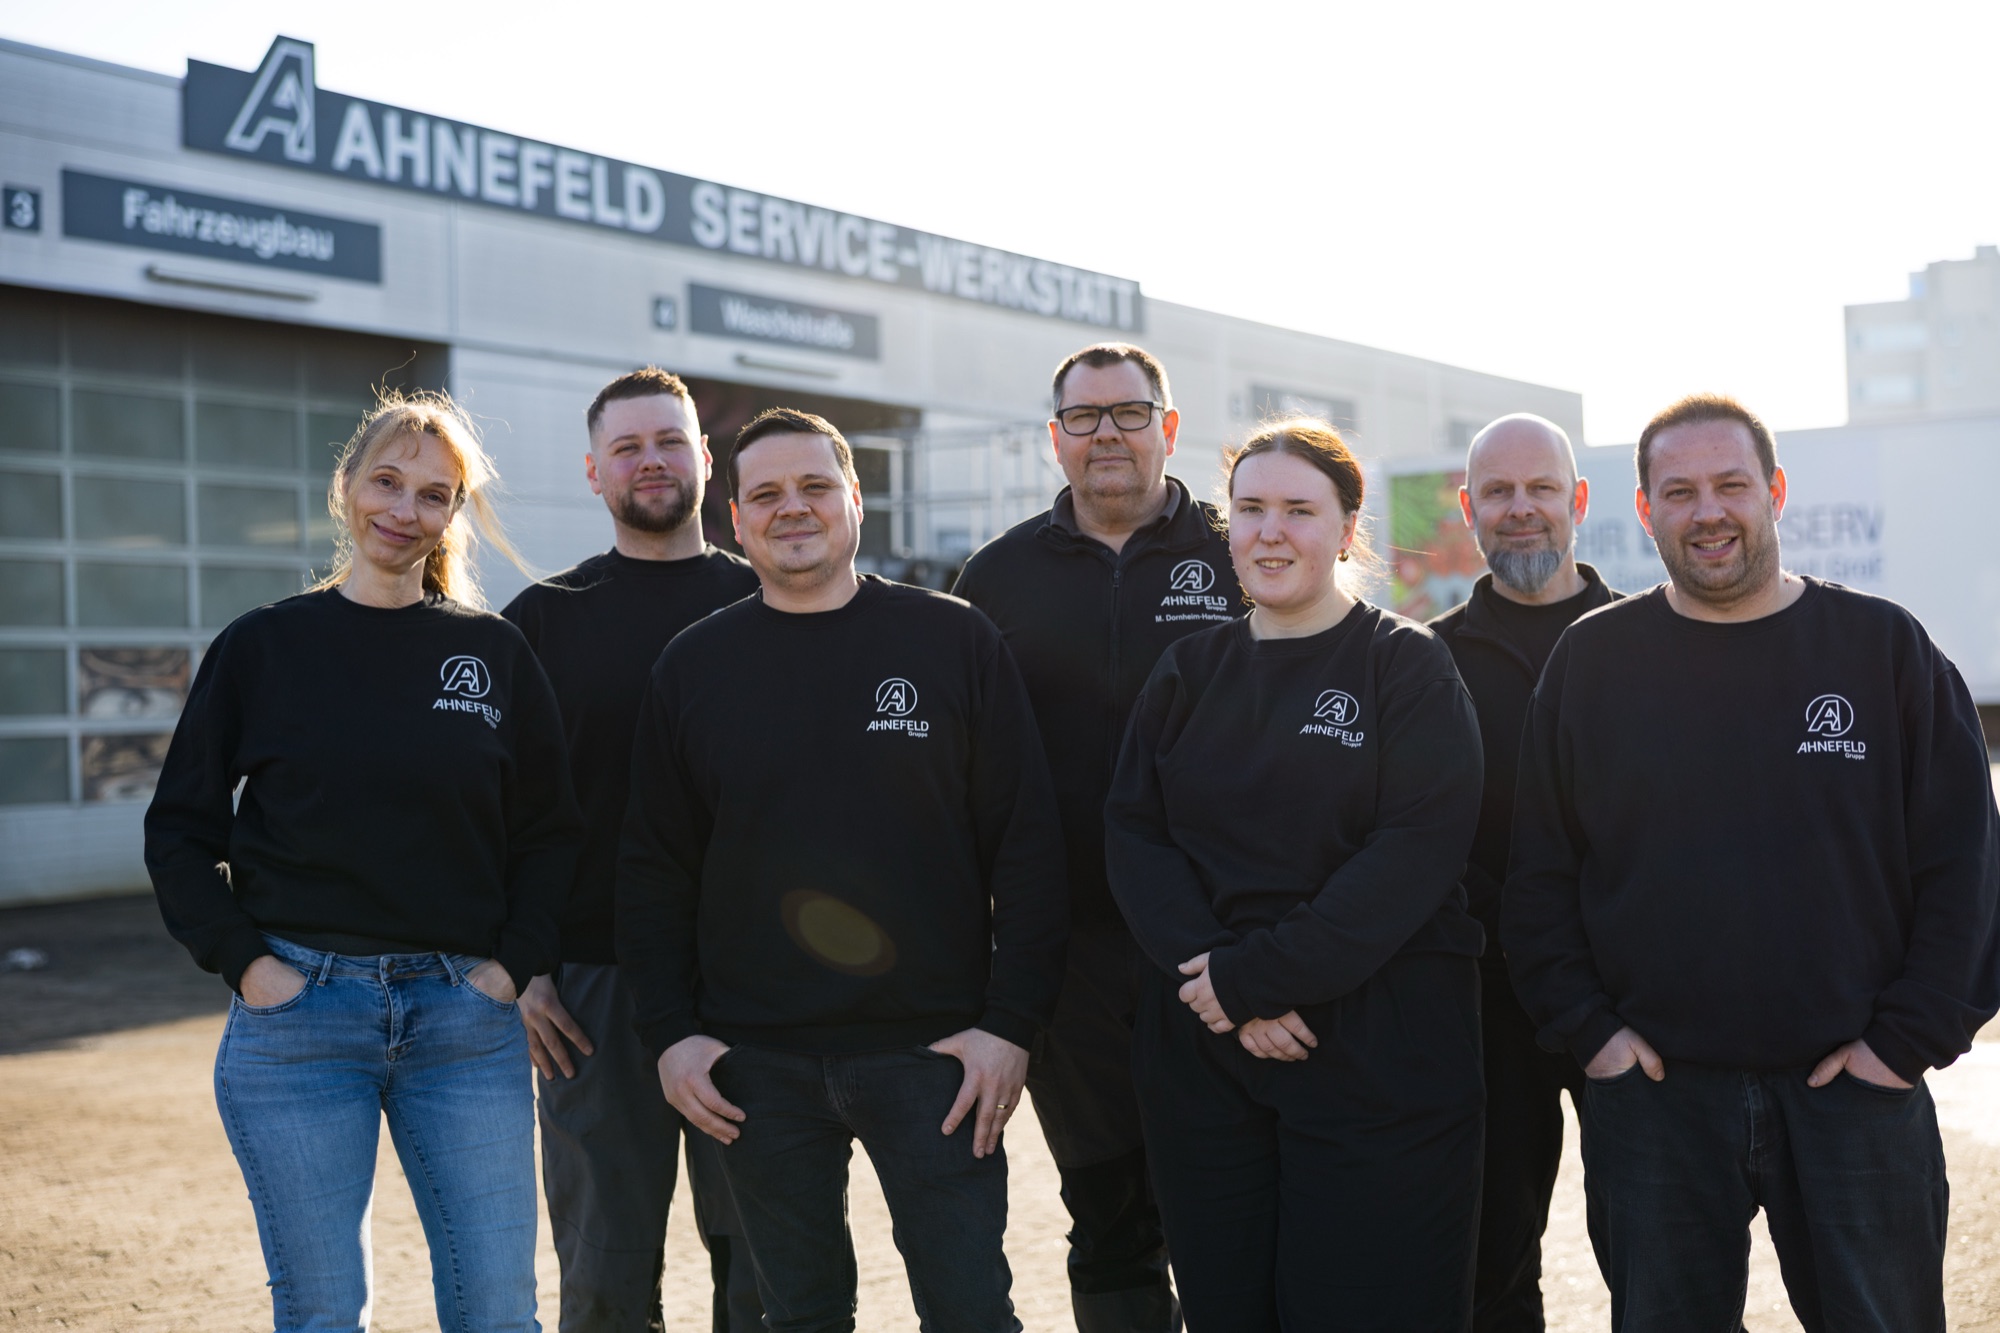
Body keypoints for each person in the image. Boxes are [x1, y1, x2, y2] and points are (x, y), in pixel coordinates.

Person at [1503, 393, 2000, 1331]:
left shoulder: (1881, 648)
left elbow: (1966, 866)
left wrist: (1904, 1045)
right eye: (1679, 492)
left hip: (1856, 1094)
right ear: (1645, 509)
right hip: (1657, 1101)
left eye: (1731, 485)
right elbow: (1539, 875)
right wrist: (1593, 1035)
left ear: (1774, 491)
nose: (1708, 512)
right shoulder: (1591, 663)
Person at [616, 407, 1069, 1333]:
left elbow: (1027, 845)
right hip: (755, 1063)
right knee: (798, 1317)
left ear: (856, 498)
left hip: (937, 1058)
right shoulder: (693, 665)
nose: (793, 507)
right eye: (767, 493)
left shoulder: (953, 640)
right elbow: (654, 867)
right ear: (736, 518)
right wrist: (671, 1034)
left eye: (816, 485)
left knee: (972, 1313)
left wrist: (1009, 1026)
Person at [144, 390, 581, 1332]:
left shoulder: (492, 653)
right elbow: (179, 828)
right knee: (323, 1312)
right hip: (299, 1017)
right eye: (387, 480)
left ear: (452, 515)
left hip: (464, 1021)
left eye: (433, 494)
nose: (404, 509)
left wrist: (511, 967)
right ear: (347, 485)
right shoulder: (264, 645)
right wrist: (247, 965)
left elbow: (551, 832)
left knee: (498, 1309)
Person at [1105, 418, 1487, 1331]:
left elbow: (1414, 849)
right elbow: (1135, 834)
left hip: (1376, 1052)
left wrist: (1259, 977)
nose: (1270, 531)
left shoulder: (1405, 665)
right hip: (1205, 1047)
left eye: (1299, 510)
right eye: (1250, 509)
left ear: (1348, 528)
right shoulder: (1188, 670)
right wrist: (1222, 981)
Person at [953, 342, 1237, 1333]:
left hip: (1219, 946)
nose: (1106, 433)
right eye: (1083, 416)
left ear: (1169, 427)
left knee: (1230, 1205)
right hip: (1066, 954)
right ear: (1054, 438)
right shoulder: (995, 578)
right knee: (1108, 1214)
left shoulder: (1238, 549)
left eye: (1129, 412)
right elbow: (961, 770)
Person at [502, 367, 763, 1333]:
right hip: (590, 992)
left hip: (754, 984)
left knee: (767, 1263)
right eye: (627, 447)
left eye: (669, 440)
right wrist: (525, 963)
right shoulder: (540, 620)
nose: (651, 461)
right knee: (605, 1269)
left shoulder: (773, 599)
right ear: (593, 470)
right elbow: (494, 811)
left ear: (705, 456)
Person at [1427, 414, 1620, 1331]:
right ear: (1469, 508)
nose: (1521, 508)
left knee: (1663, 1254)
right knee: (1492, 1265)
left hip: (1631, 1000)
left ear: (1576, 499)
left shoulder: (1648, 641)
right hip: (1488, 1007)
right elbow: (1421, 835)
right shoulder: (1425, 658)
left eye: (1541, 487)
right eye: (1498, 491)